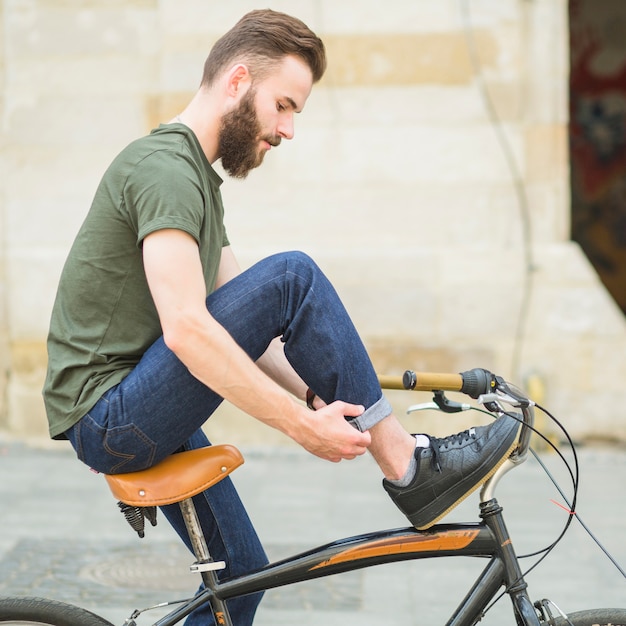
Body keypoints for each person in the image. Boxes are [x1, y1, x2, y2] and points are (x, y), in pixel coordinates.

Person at [43, 9, 520, 625]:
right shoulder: (164, 170)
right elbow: (190, 331)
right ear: (238, 81)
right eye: (285, 105)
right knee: (293, 274)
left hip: (134, 402)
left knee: (242, 577)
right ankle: (407, 465)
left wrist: (321, 401)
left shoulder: (196, 182)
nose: (289, 129)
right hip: (111, 414)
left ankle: (403, 457)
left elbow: (250, 323)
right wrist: (299, 425)